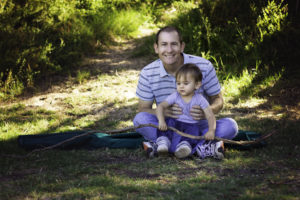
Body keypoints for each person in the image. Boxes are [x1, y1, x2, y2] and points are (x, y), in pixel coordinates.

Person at [133, 26, 238, 158]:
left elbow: (218, 100)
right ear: (156, 48)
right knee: (139, 120)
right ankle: (201, 148)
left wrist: (207, 111)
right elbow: (143, 109)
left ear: (182, 46)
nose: (169, 50)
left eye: (174, 44)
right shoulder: (148, 73)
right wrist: (162, 112)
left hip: (198, 127)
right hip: (168, 127)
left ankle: (163, 146)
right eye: (164, 44)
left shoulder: (204, 66)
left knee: (231, 126)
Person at [156, 63, 224, 159]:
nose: (181, 86)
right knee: (167, 124)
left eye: (186, 83)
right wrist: (161, 121)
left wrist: (211, 131)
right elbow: (161, 106)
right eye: (178, 83)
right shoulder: (175, 95)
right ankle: (163, 143)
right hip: (175, 122)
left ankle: (184, 147)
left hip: (191, 125)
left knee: (194, 131)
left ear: (197, 85)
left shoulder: (199, 99)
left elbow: (210, 115)